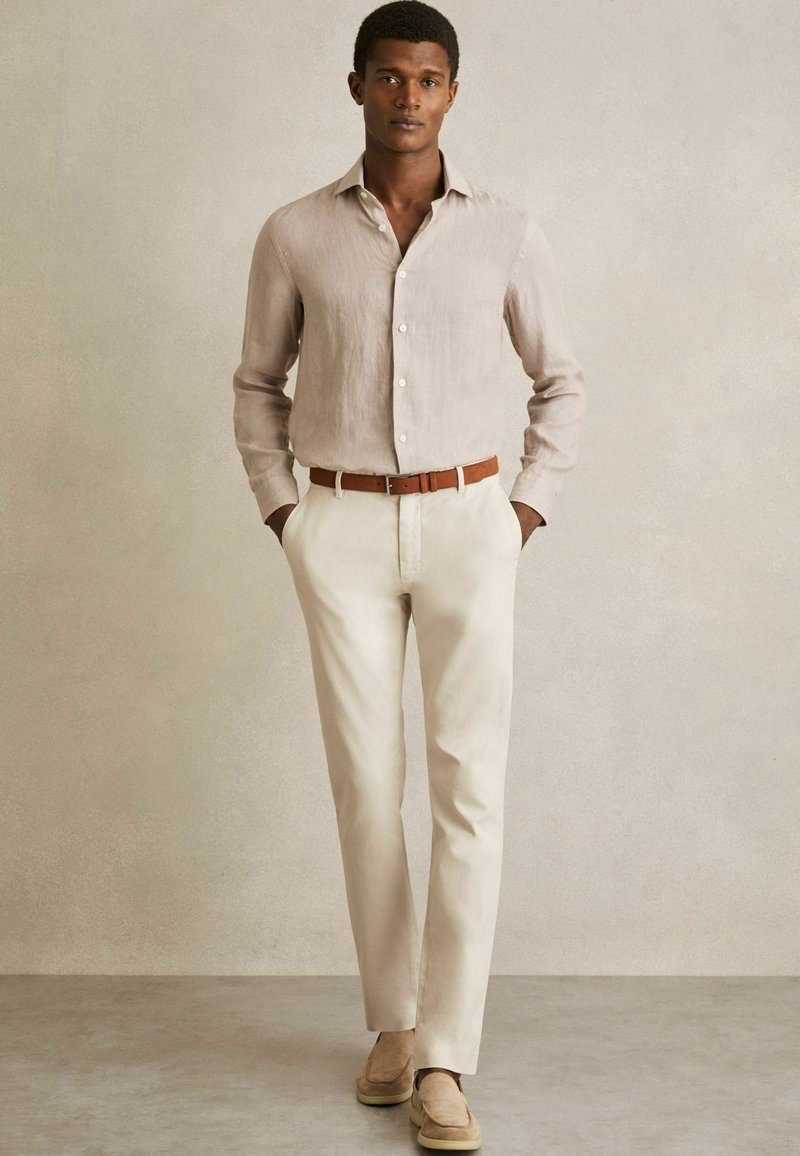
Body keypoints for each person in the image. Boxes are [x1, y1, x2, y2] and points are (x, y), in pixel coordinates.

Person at [232, 1, 587, 1148]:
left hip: (467, 521)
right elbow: (256, 383)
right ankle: (390, 1022)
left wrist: (521, 509)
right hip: (336, 521)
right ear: (356, 87)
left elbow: (559, 380)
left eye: (428, 79)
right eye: (388, 76)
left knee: (467, 788)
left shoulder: (506, 233)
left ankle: (444, 1057)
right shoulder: (294, 232)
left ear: (451, 94)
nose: (408, 97)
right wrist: (285, 512)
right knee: (363, 785)